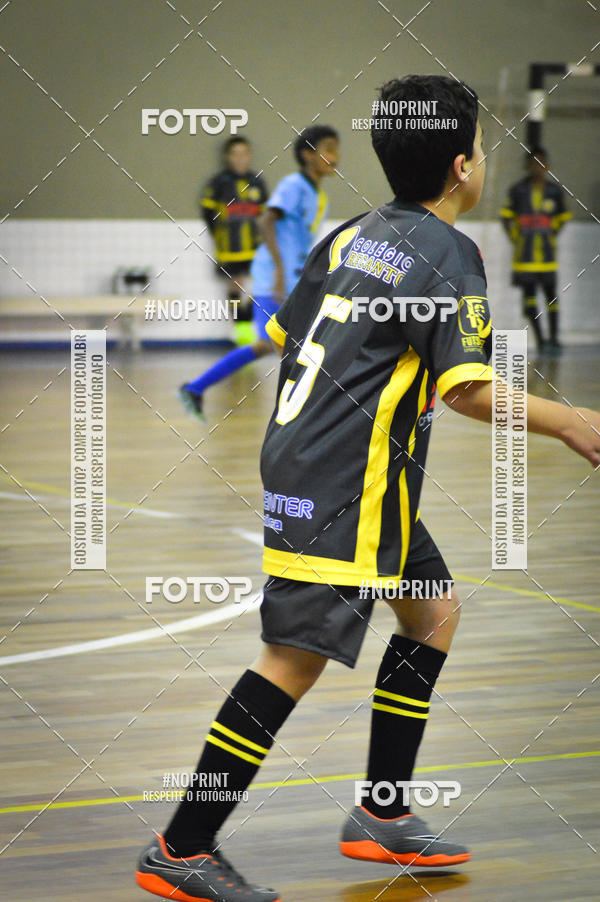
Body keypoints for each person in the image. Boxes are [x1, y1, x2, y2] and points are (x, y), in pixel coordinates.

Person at [136, 75, 600, 902]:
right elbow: (470, 391)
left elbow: (288, 335)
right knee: (293, 659)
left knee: (433, 610)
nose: (484, 160)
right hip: (346, 485)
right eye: (483, 149)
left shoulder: (352, 233)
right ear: (462, 167)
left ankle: (382, 812)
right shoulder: (449, 252)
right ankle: (182, 845)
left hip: (337, 473)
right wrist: (568, 419)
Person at [178, 125, 340, 421]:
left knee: (285, 345)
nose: (335, 157)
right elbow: (266, 220)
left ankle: (196, 389)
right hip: (273, 279)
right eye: (328, 149)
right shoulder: (293, 185)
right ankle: (196, 389)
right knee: (272, 344)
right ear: (307, 155)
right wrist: (279, 269)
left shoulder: (319, 196)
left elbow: (297, 239)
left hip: (293, 279)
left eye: (336, 149)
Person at [500, 147, 571, 353]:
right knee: (529, 299)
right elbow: (506, 218)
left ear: (547, 166)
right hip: (524, 258)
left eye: (542, 163)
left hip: (547, 258)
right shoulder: (517, 191)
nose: (538, 168)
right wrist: (516, 238)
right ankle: (541, 341)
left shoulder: (554, 192)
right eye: (533, 163)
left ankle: (554, 338)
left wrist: (551, 234)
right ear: (527, 166)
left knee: (551, 297)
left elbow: (562, 218)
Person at [200, 136, 268, 346]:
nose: (240, 159)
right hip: (230, 249)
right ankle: (242, 329)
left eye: (243, 154)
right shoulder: (219, 182)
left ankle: (256, 325)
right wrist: (219, 235)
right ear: (227, 157)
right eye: (235, 154)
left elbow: (266, 214)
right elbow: (208, 211)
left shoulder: (256, 182)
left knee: (259, 286)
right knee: (236, 286)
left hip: (255, 248)